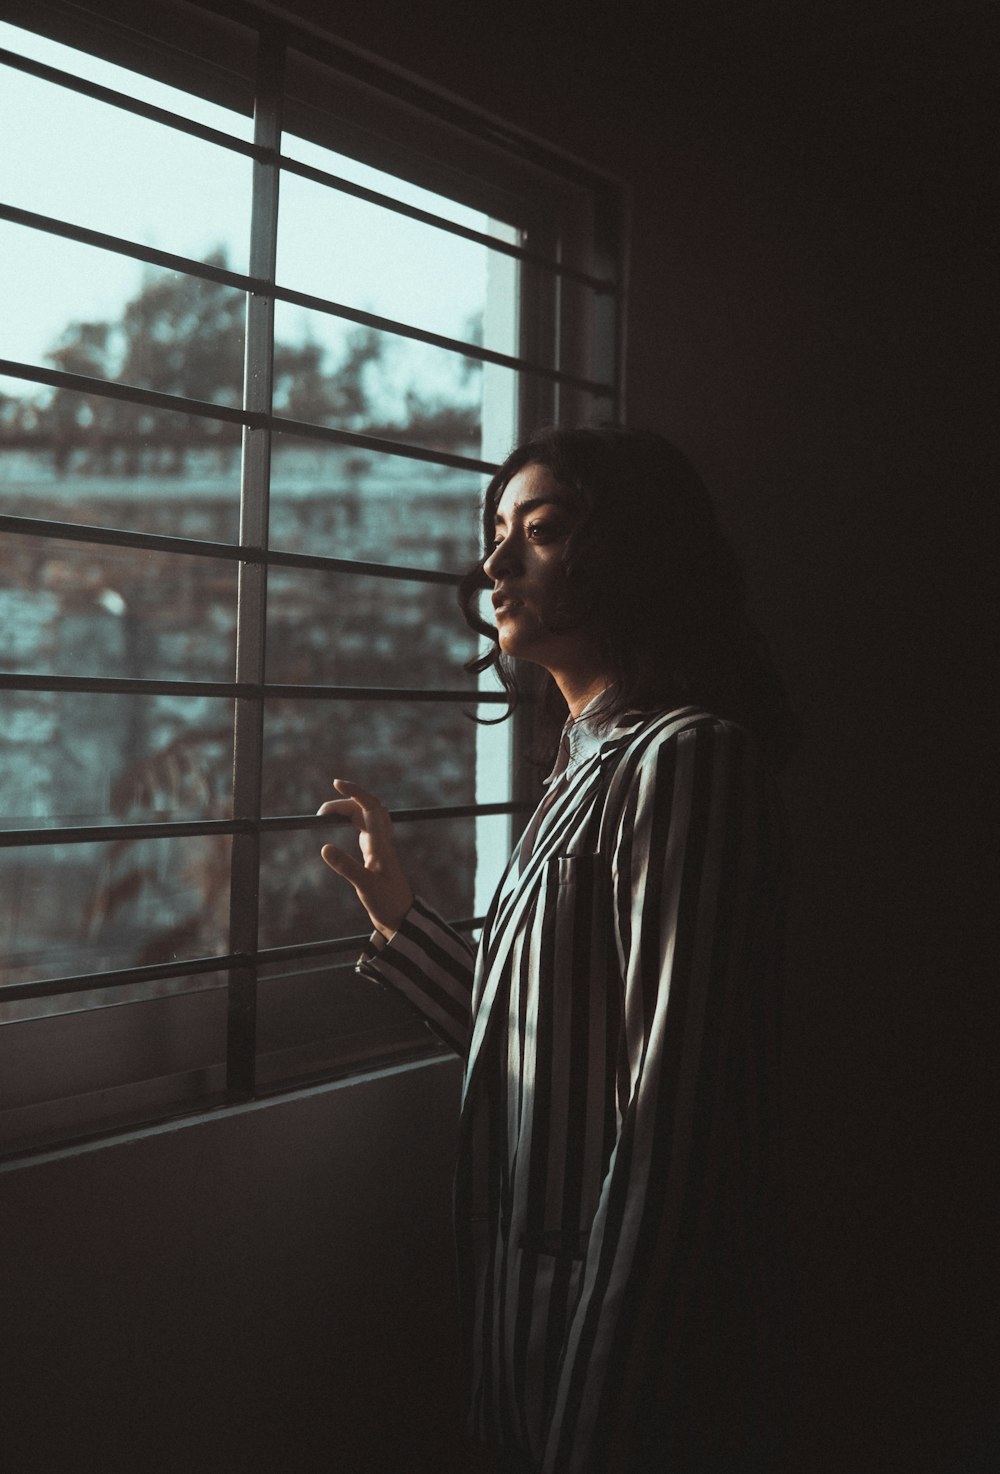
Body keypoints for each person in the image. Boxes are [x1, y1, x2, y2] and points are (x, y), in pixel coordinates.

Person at [318, 426, 796, 1474]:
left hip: (623, 1361)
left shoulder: (685, 759)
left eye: (539, 533)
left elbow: (676, 1124)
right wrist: (396, 910)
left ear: (629, 556)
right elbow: (539, 1047)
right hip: (534, 1338)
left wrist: (602, 1408)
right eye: (496, 533)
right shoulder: (577, 774)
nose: (494, 564)